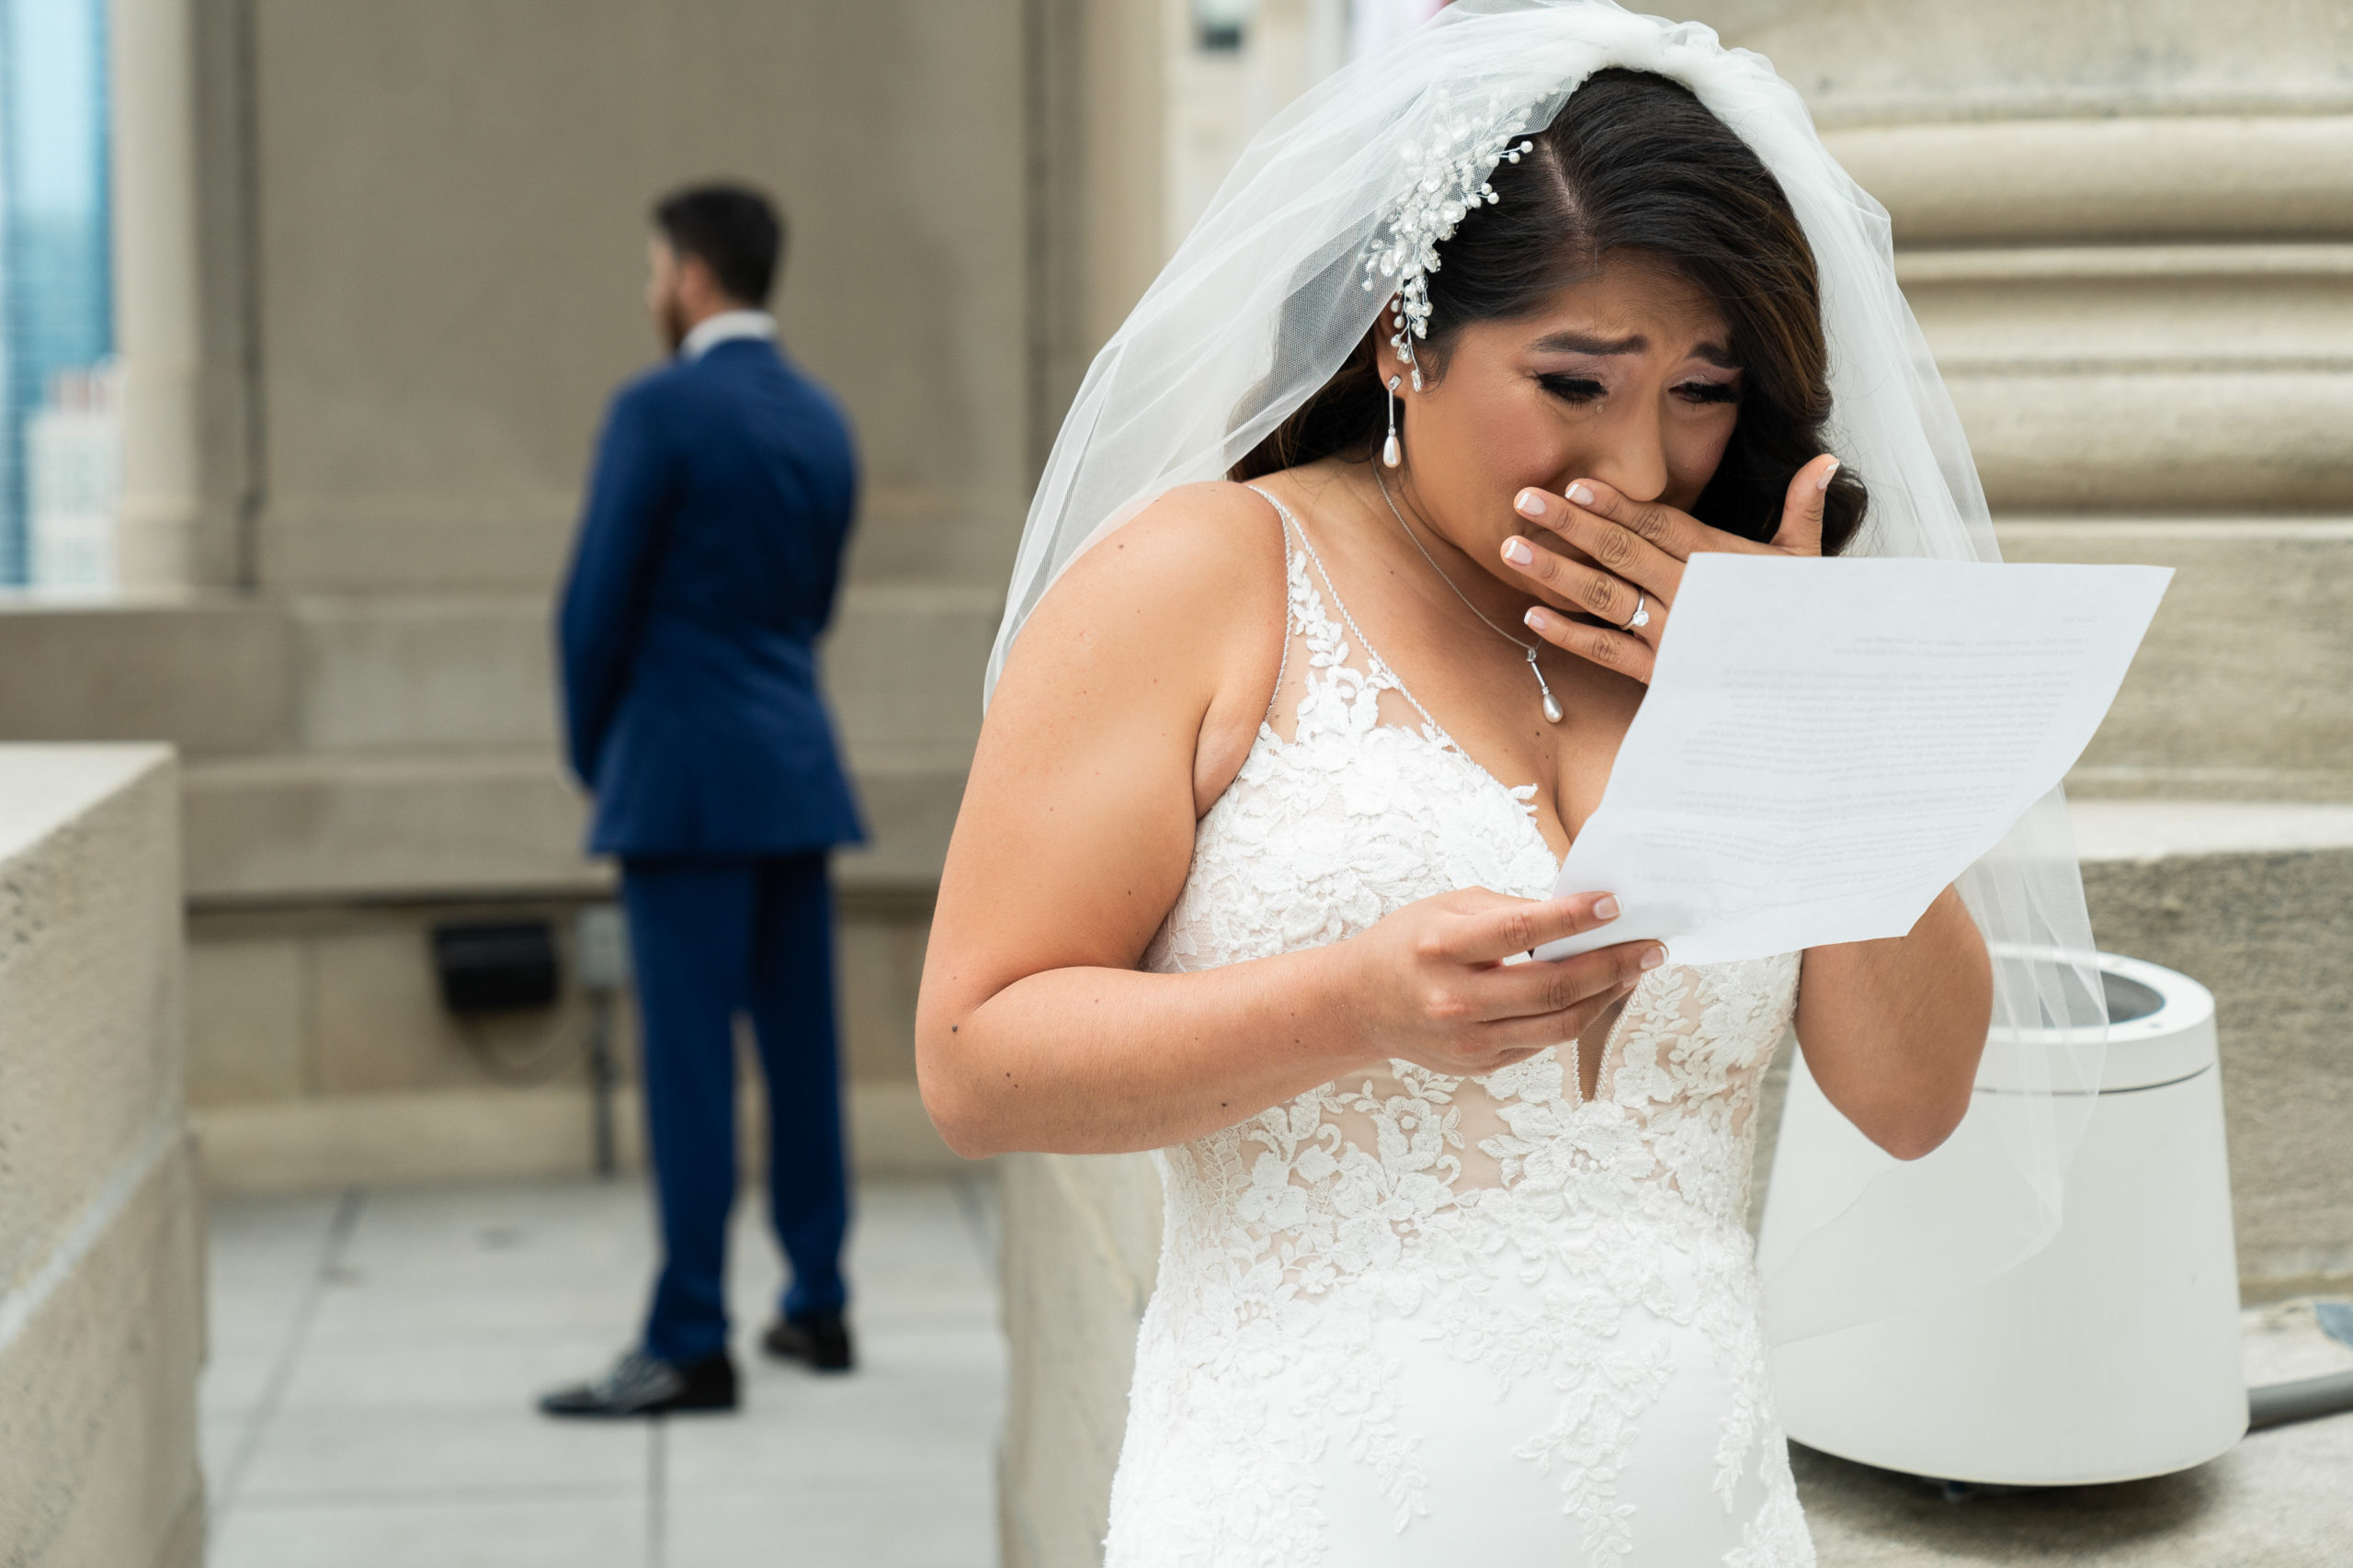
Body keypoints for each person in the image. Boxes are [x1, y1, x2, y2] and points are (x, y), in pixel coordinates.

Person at [916, 2, 2111, 1562]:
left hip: (1709, 1517)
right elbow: (972, 1054)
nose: (1638, 469)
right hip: (1308, 1506)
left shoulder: (1727, 620)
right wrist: (1347, 1003)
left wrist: (1792, 700)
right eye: (1574, 381)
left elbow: (1913, 1096)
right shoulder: (1203, 576)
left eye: (1702, 390)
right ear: (1404, 335)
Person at [541, 183, 864, 1419]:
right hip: (795, 764)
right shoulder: (824, 419)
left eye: (651, 270)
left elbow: (592, 609)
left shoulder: (658, 408)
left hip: (679, 779)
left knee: (687, 1073)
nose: (649, 291)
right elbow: (814, 604)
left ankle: (689, 1336)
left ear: (687, 275)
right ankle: (819, 1302)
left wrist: (597, 753)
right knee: (802, 1058)